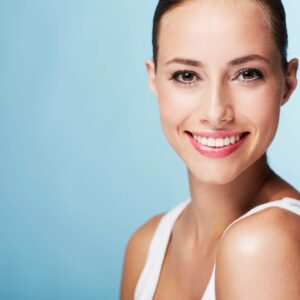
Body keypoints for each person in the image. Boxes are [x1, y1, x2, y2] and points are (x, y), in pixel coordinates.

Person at [120, 0, 300, 299]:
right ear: (154, 78)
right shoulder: (148, 244)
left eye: (247, 74)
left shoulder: (265, 243)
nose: (216, 113)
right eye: (186, 76)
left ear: (288, 82)